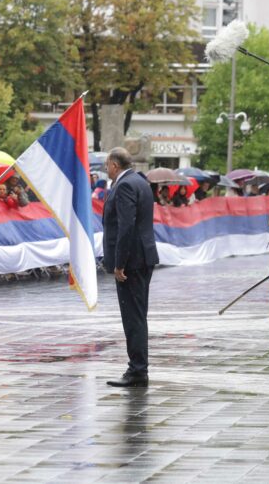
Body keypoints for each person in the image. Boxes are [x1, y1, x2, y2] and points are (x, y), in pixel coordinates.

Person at [102, 147, 159, 388]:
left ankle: (137, 370)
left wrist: (119, 263)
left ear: (115, 165)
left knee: (133, 317)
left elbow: (126, 226)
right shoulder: (142, 182)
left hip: (132, 261)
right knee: (138, 315)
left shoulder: (124, 185)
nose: (106, 169)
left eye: (107, 165)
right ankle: (138, 368)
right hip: (143, 257)